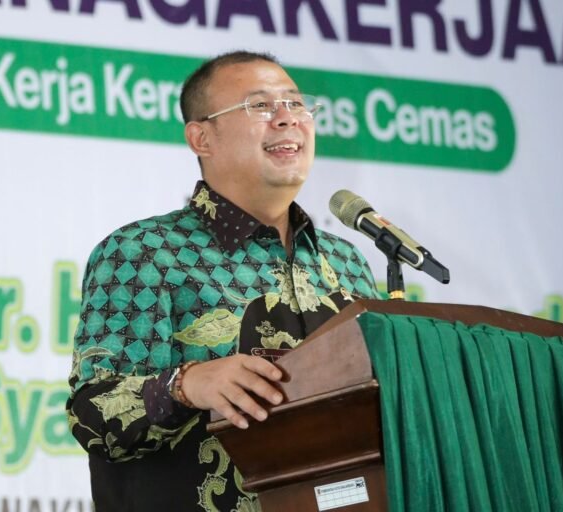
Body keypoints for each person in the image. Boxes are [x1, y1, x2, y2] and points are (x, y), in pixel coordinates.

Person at [67, 50, 380, 512]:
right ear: (202, 138)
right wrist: (186, 385)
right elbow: (93, 416)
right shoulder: (145, 252)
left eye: (296, 104)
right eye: (260, 105)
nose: (287, 118)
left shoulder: (346, 261)